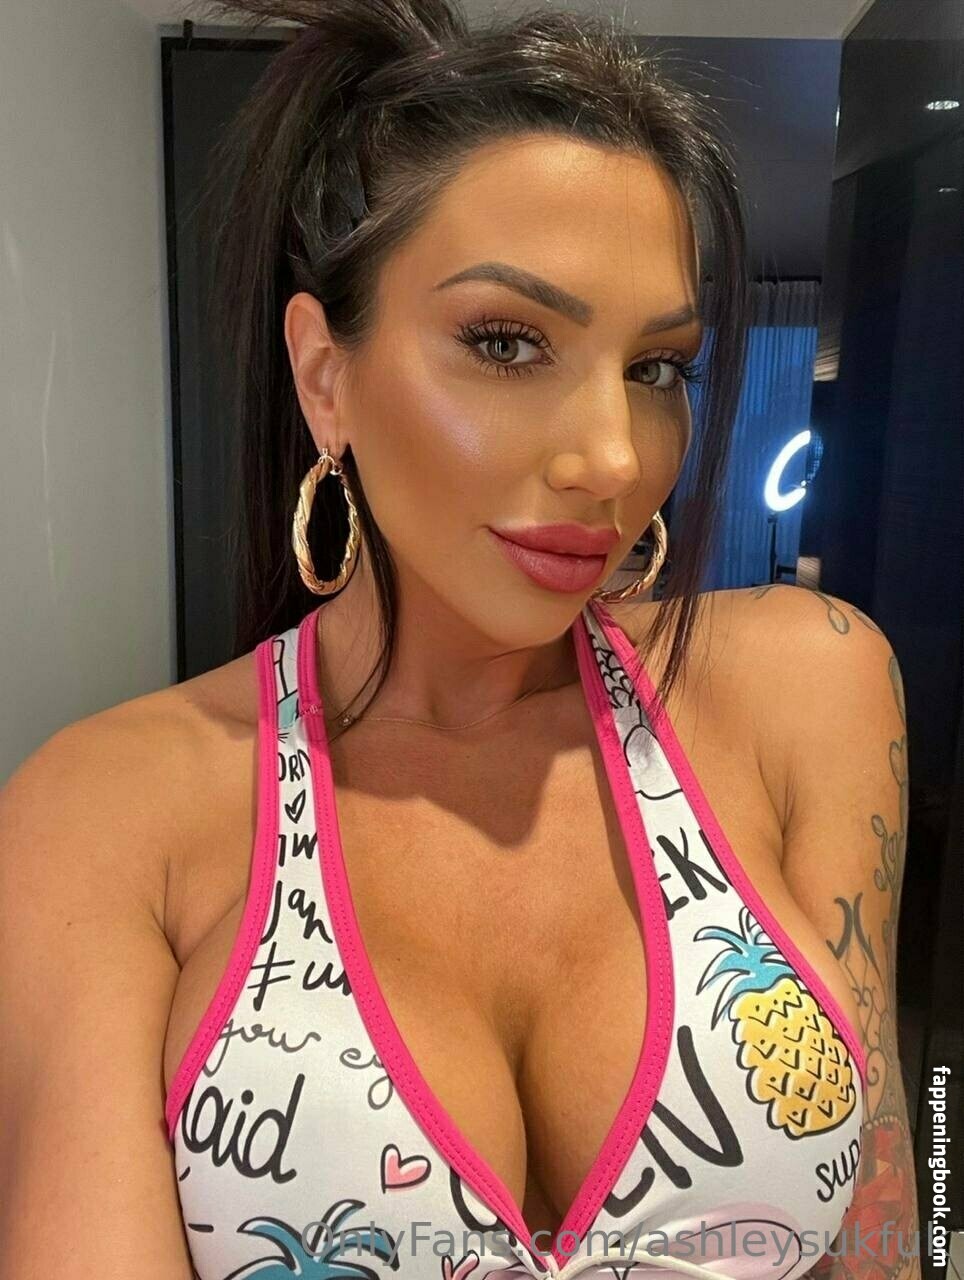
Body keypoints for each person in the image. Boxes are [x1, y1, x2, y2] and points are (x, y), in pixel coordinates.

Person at [0, 2, 920, 1277]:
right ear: (325, 375)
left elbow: (878, 1228)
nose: (612, 458)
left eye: (656, 367)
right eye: (505, 342)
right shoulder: (107, 812)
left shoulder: (805, 684)